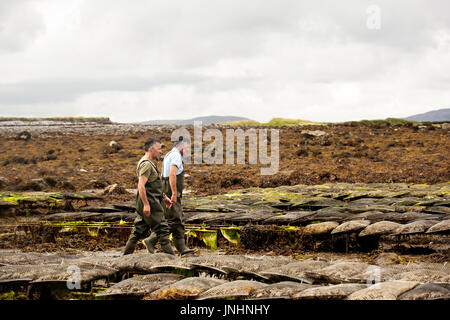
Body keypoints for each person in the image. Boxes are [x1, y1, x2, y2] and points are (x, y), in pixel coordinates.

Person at [145, 137, 197, 256]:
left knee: (173, 218)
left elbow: (163, 175)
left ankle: (181, 248)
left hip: (165, 188)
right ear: (182, 146)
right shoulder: (176, 156)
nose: (188, 151)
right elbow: (172, 174)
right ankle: (151, 240)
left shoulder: (169, 154)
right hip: (171, 190)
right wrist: (173, 194)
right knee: (175, 219)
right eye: (187, 148)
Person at [123, 138, 175, 255]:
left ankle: (125, 256)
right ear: (151, 149)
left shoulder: (149, 163)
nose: (161, 151)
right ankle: (173, 259)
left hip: (150, 201)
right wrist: (146, 205)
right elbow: (141, 186)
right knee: (162, 229)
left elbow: (153, 186)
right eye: (159, 149)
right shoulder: (146, 164)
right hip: (150, 203)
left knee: (138, 230)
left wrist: (164, 197)